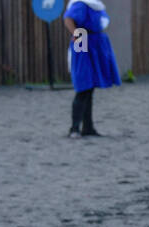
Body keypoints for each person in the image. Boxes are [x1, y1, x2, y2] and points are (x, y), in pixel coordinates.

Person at [64, 0, 121, 138]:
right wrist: (76, 34)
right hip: (83, 38)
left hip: (96, 41)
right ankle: (74, 128)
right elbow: (68, 18)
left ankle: (88, 127)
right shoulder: (81, 3)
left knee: (90, 87)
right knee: (83, 83)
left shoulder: (95, 4)